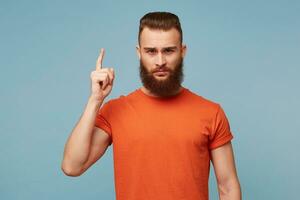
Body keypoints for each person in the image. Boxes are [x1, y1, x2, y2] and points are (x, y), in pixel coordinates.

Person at [61, 11, 241, 200]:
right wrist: (95, 100)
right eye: (151, 51)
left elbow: (228, 187)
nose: (160, 61)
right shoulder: (116, 110)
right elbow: (72, 166)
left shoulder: (211, 113)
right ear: (139, 52)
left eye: (169, 50)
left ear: (182, 51)